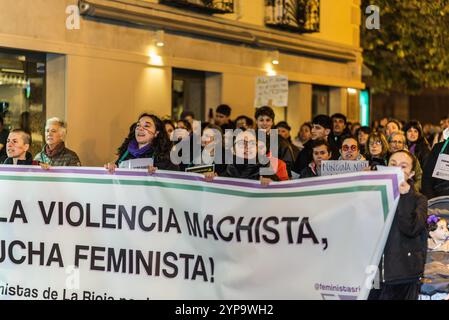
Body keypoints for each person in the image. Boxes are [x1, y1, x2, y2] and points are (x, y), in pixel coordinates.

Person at [377, 150, 428, 300]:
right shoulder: (375, 196)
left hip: (404, 274)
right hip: (374, 273)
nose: (396, 169)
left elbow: (411, 228)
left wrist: (405, 197)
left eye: (403, 166)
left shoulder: (419, 200)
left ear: (411, 174)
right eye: (392, 164)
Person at [105, 113, 178, 172]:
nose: (140, 128)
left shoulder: (165, 157)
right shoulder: (125, 152)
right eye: (138, 125)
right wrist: (112, 168)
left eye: (146, 126)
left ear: (156, 133)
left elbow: (174, 181)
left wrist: (159, 175)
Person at [255, 106, 296, 177]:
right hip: (252, 180)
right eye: (261, 120)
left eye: (268, 120)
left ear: (272, 122)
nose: (264, 123)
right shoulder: (249, 138)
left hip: (275, 181)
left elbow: (288, 166)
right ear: (256, 121)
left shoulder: (281, 142)